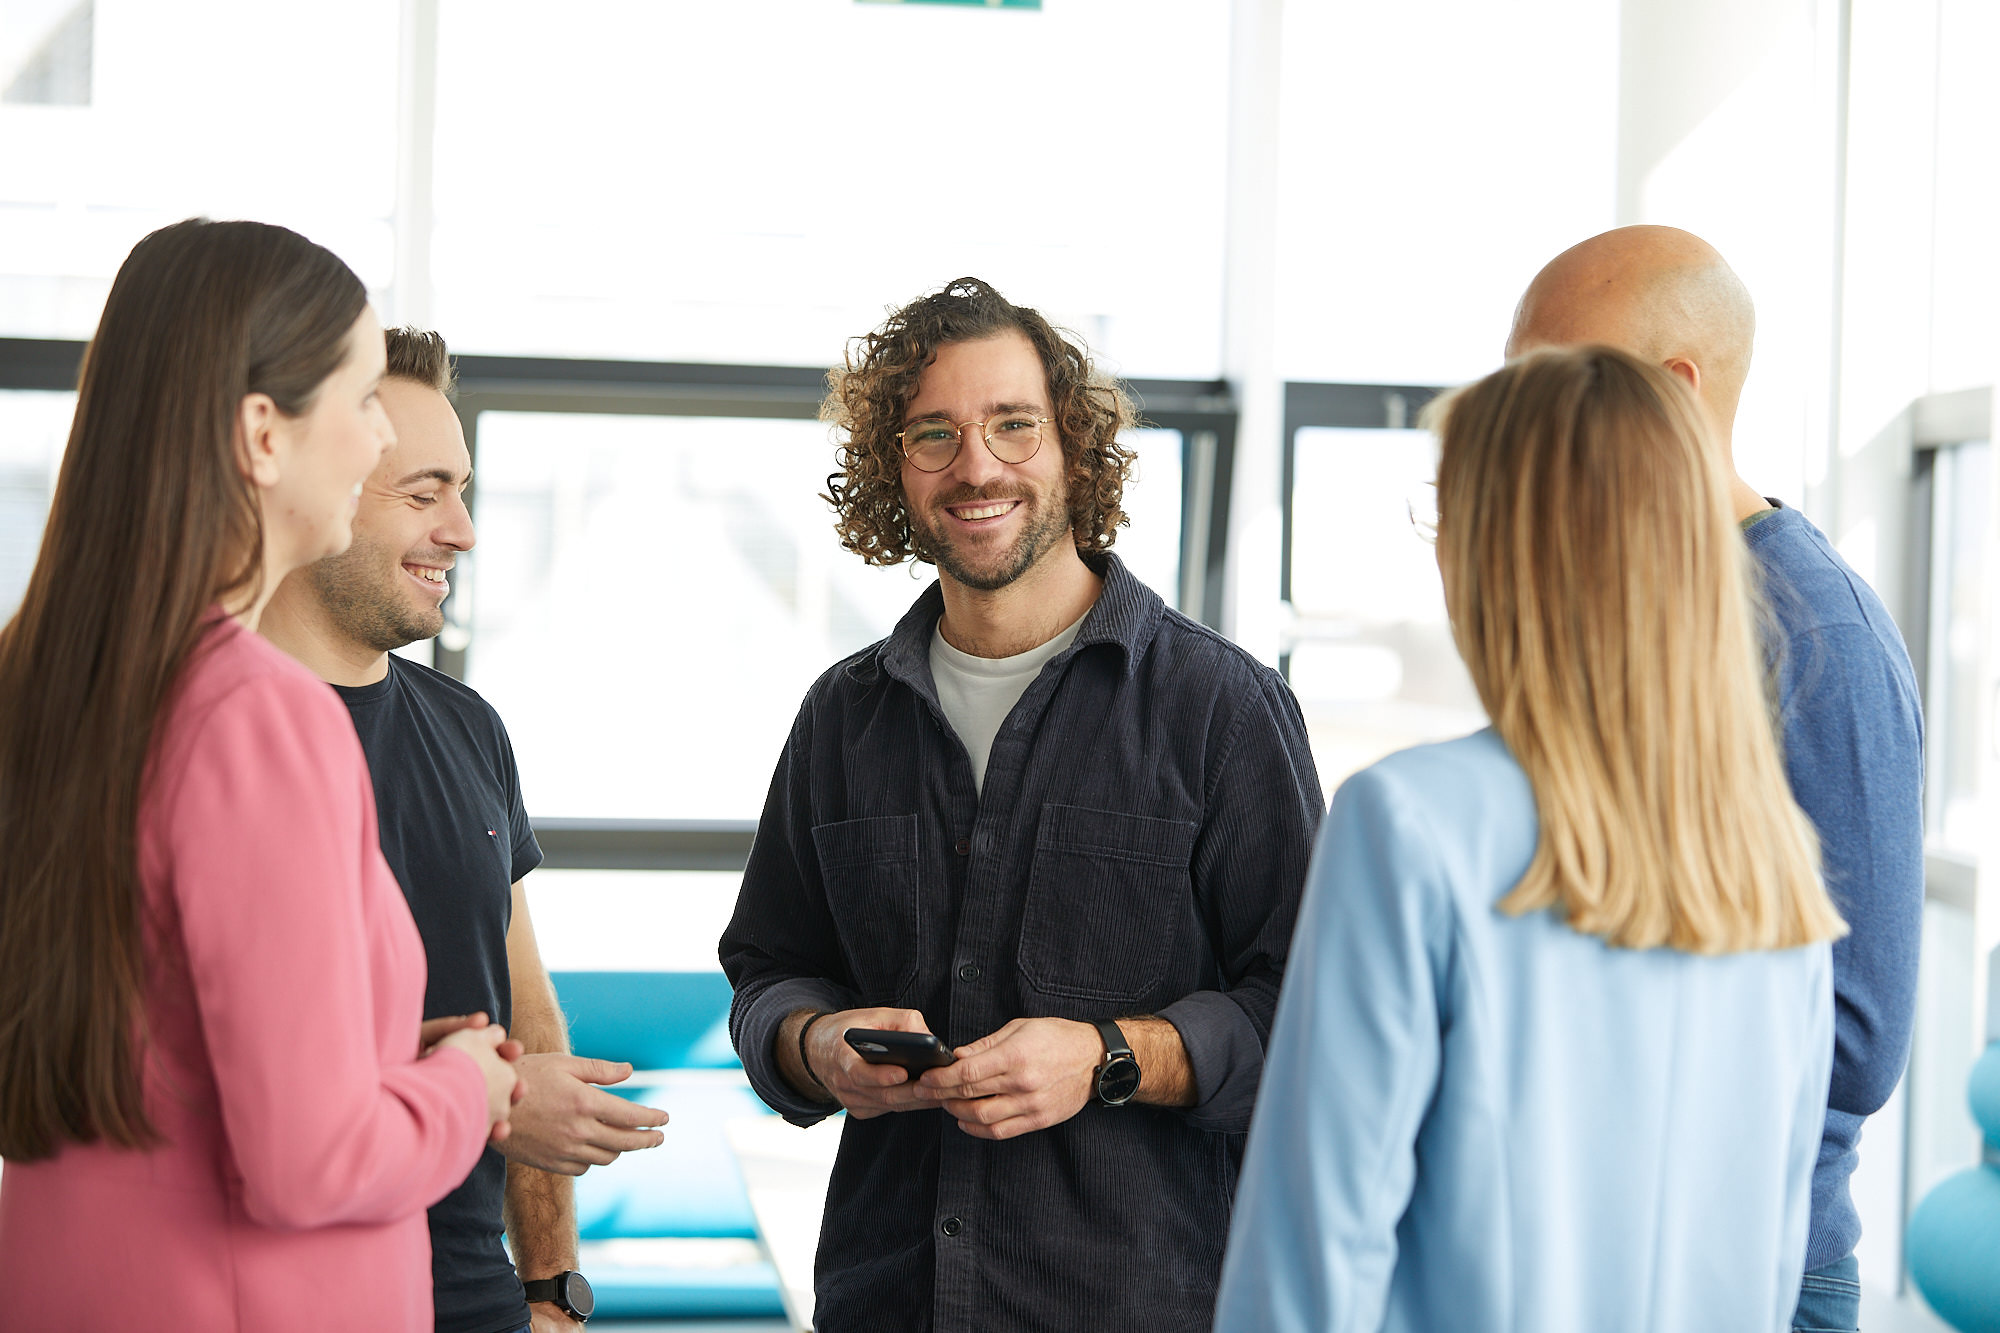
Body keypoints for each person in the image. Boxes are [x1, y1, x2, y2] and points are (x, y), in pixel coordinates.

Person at [719, 277, 1324, 1331]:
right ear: (891, 470)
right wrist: (814, 1045)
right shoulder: (840, 719)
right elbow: (767, 970)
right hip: (884, 1301)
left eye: (1012, 424)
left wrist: (1107, 1058)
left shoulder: (1219, 710)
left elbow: (1308, 1018)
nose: (976, 466)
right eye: (932, 435)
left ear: (1071, 449)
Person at [1216, 345, 1847, 1331]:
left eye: (1445, 513)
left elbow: (1308, 1258)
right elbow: (1772, 1253)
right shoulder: (1771, 855)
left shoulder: (1409, 823)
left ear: (1501, 546)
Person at [0, 218, 519, 1331]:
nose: (376, 435)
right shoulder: (258, 713)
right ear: (262, 435)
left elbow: (138, 1051)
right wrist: (462, 1090)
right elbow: (311, 1165)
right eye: (360, 400)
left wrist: (379, 1060)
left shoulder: (41, 682)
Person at [1504, 225, 1924, 1332]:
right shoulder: (1641, 606)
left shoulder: (1813, 633)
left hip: (1741, 1274)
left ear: (1670, 391)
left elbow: (1856, 1039)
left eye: (1543, 387)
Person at [259, 327, 670, 1333]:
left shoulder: (467, 727)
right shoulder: (215, 730)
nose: (464, 529)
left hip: (473, 1295)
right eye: (422, 492)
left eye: (465, 490)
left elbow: (524, 1018)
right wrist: (473, 1092)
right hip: (281, 1290)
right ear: (326, 483)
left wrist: (552, 1289)